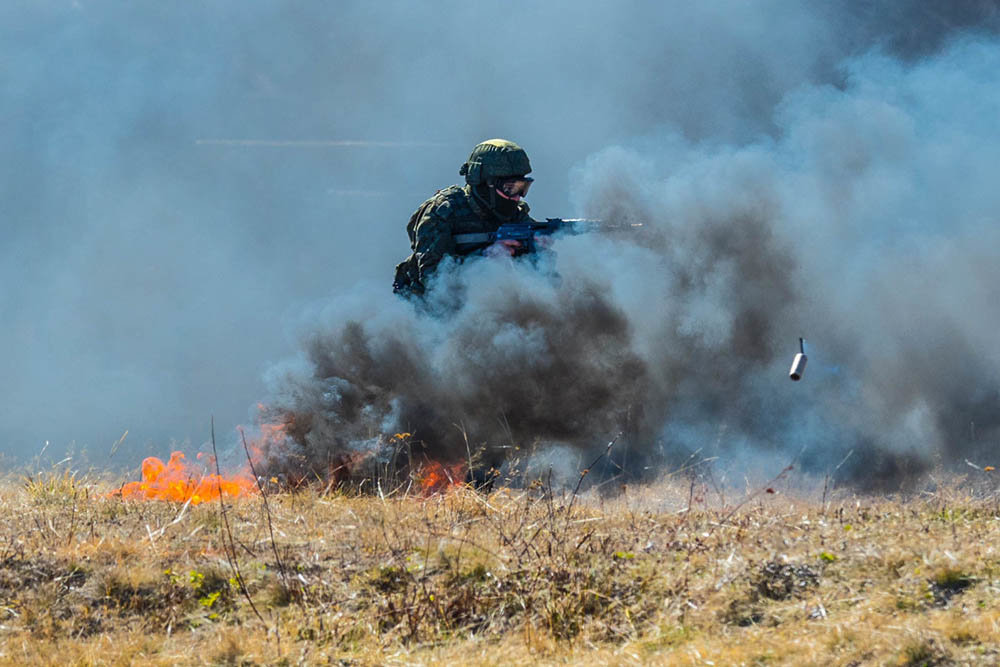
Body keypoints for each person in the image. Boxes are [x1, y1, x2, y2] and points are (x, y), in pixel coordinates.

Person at [393, 139, 536, 295]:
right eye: (510, 188)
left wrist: (538, 251)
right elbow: (434, 280)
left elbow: (547, 283)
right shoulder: (443, 212)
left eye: (522, 188)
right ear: (484, 184)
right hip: (428, 308)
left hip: (485, 304)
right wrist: (485, 258)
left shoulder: (515, 214)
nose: (517, 197)